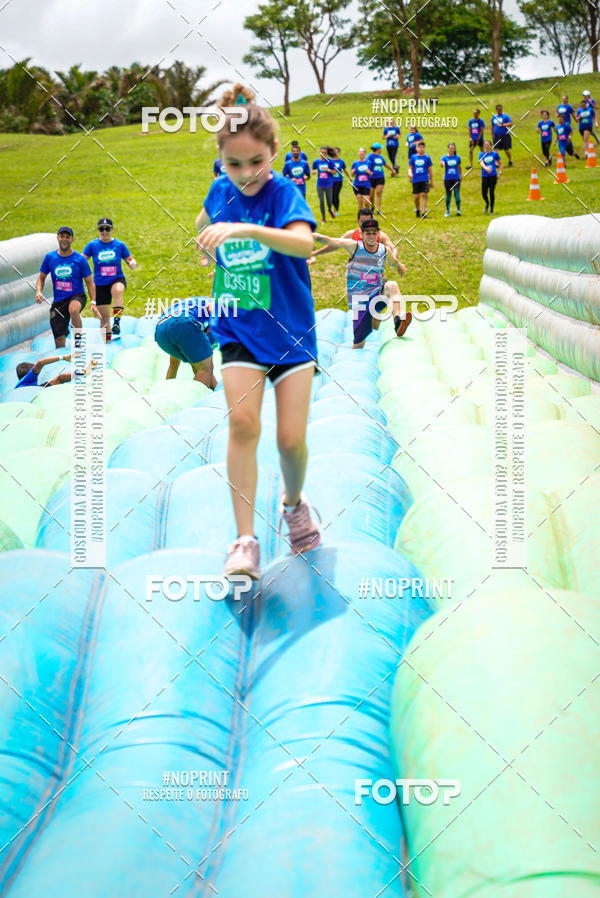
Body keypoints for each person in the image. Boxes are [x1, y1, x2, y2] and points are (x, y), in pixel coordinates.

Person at [194, 104, 322, 580]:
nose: (245, 173)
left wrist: (245, 230)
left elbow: (304, 244)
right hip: (238, 327)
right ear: (220, 160)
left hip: (290, 331)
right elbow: (206, 222)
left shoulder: (284, 192)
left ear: (273, 152)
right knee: (244, 425)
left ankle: (294, 504)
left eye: (256, 162)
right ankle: (245, 540)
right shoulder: (219, 190)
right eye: (233, 164)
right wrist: (207, 244)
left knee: (290, 441)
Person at [314, 218, 410, 348]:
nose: (371, 236)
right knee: (359, 344)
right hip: (359, 301)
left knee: (392, 285)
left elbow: (393, 262)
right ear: (362, 234)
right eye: (368, 233)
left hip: (376, 295)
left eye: (374, 233)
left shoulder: (384, 250)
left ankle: (398, 321)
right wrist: (312, 236)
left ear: (378, 234)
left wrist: (400, 267)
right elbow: (330, 240)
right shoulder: (354, 246)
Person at [35, 227, 95, 349]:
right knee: (59, 341)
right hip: (59, 301)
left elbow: (89, 282)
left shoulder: (80, 259)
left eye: (68, 237)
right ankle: (62, 357)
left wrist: (93, 301)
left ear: (72, 239)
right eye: (62, 236)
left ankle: (78, 342)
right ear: (57, 238)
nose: (64, 239)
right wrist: (38, 291)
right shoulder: (50, 257)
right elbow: (41, 278)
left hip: (77, 295)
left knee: (73, 309)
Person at [83, 218, 137, 338]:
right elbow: (82, 259)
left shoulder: (119, 245)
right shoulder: (92, 245)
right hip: (100, 284)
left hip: (116, 279)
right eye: (101, 229)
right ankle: (106, 342)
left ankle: (117, 322)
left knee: (117, 290)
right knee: (104, 319)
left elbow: (129, 259)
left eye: (107, 228)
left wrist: (132, 263)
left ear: (112, 229)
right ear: (98, 230)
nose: (104, 231)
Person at [154, 297, 217, 389]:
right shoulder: (217, 303)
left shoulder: (194, 303)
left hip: (161, 330)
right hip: (183, 321)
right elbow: (213, 307)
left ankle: (167, 391)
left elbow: (174, 364)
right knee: (205, 370)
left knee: (200, 367)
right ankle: (195, 398)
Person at [308, 207, 402, 266]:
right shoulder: (351, 234)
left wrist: (393, 259)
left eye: (367, 221)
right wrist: (316, 253)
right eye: (362, 221)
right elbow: (335, 244)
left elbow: (393, 248)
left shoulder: (380, 236)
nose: (365, 225)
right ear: (357, 221)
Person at [15, 353, 96, 388]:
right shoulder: (28, 377)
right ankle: (84, 372)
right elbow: (40, 363)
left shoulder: (19, 385)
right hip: (34, 394)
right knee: (60, 378)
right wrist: (63, 357)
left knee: (59, 378)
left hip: (35, 391)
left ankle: (84, 372)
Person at [367, 142, 395, 214]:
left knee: (378, 192)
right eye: (380, 148)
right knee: (371, 195)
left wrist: (392, 170)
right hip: (371, 178)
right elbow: (366, 164)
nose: (381, 150)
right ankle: (372, 207)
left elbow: (385, 164)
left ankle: (378, 209)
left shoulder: (381, 157)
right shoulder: (370, 156)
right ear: (378, 149)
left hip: (380, 177)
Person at [408, 140, 434, 218]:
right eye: (420, 147)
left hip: (424, 178)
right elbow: (410, 167)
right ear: (416, 148)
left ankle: (423, 213)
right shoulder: (413, 157)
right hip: (416, 179)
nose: (421, 149)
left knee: (424, 195)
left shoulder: (427, 157)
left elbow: (430, 170)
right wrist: (410, 174)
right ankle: (417, 210)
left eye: (423, 147)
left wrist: (431, 181)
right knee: (416, 196)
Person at [312, 146, 337, 223]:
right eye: (322, 152)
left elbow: (335, 172)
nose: (323, 154)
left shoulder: (330, 161)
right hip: (320, 184)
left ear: (326, 153)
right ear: (320, 152)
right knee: (321, 201)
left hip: (329, 184)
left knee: (329, 201)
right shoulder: (316, 161)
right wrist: (313, 172)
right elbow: (313, 170)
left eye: (325, 153)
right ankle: (323, 218)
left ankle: (329, 209)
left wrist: (328, 170)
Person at [479, 139, 503, 214]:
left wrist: (500, 172)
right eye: (485, 145)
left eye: (488, 145)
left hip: (493, 176)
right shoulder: (481, 154)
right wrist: (486, 168)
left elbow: (501, 164)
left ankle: (492, 209)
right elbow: (481, 163)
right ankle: (487, 203)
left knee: (492, 192)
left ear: (491, 146)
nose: (486, 146)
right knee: (484, 193)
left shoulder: (494, 154)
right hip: (485, 176)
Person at [440, 142, 461, 216]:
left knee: (456, 194)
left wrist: (460, 176)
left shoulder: (457, 157)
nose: (451, 150)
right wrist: (442, 164)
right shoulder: (444, 158)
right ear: (448, 149)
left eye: (453, 148)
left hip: (456, 178)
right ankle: (447, 210)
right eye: (450, 148)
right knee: (448, 195)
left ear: (454, 149)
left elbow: (459, 167)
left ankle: (458, 210)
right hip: (447, 179)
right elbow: (442, 163)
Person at [330, 147, 347, 214]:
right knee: (331, 195)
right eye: (334, 151)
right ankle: (332, 208)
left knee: (336, 194)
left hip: (338, 180)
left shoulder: (341, 161)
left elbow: (344, 169)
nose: (335, 153)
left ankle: (336, 210)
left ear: (339, 153)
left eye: (336, 152)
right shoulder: (329, 161)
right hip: (330, 181)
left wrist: (349, 177)